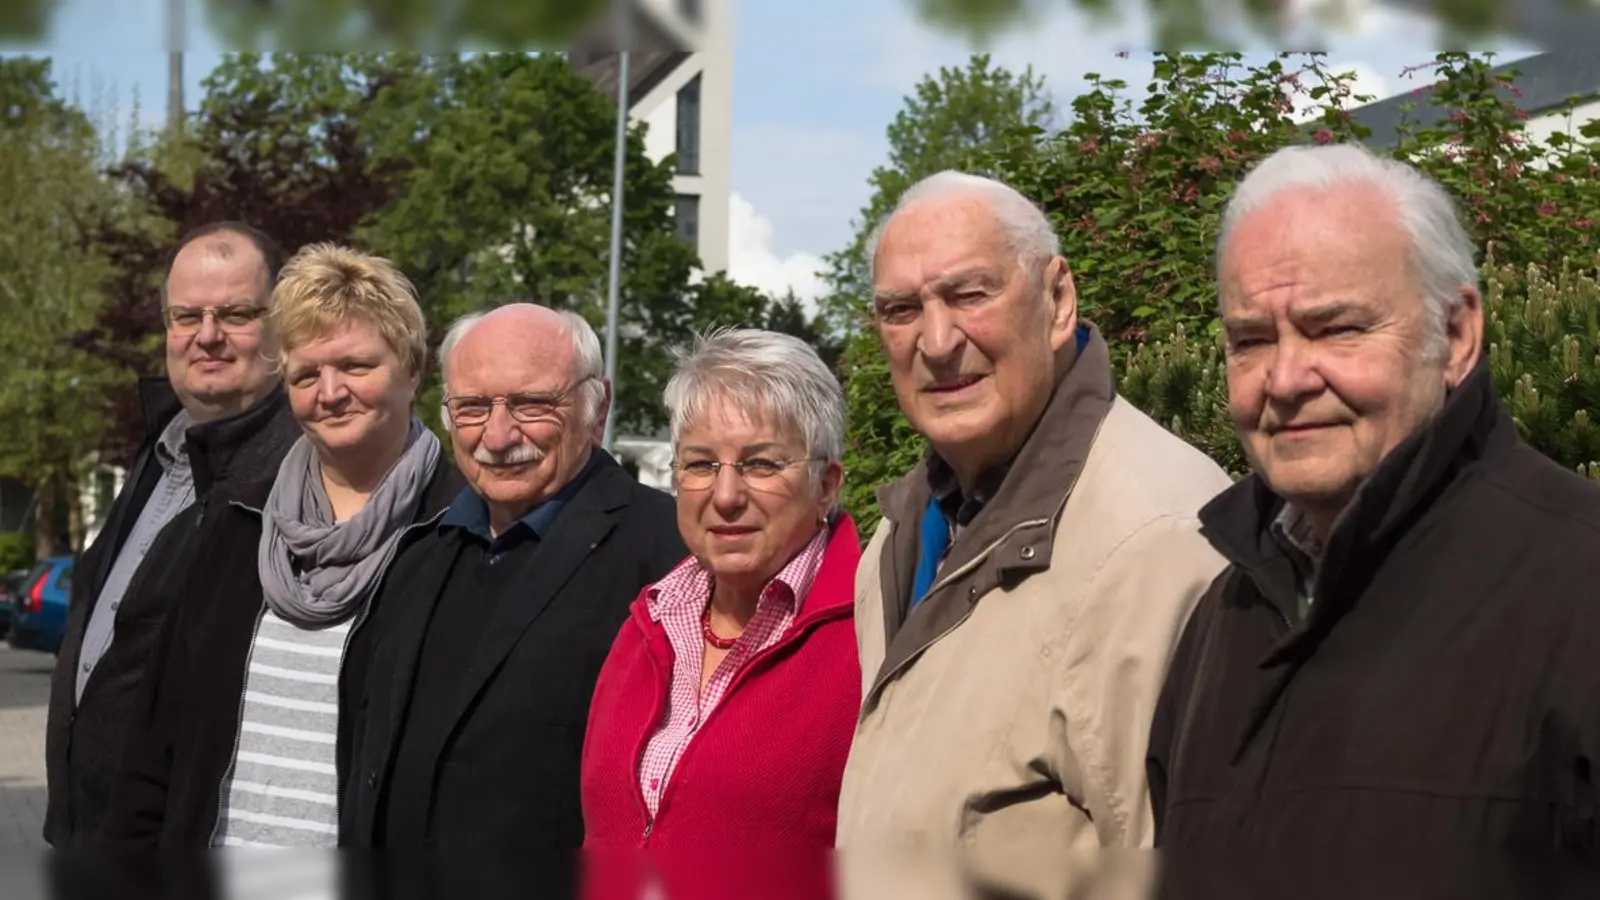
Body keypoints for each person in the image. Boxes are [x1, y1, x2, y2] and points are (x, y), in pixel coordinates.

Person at [1145, 142, 1600, 855]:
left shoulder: (1578, 582)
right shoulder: (1224, 619)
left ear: (1455, 336)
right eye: (1252, 340)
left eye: (1338, 329)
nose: (1286, 378)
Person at [834, 171, 1232, 898]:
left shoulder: (1157, 541)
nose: (937, 339)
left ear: (1057, 300)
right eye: (901, 309)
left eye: (970, 294)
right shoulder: (900, 536)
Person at [100, 243, 463, 847]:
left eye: (355, 366)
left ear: (412, 370)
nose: (330, 392)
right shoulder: (238, 520)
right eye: (306, 374)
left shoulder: (456, 533)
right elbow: (154, 743)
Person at [341, 303, 685, 854]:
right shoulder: (418, 556)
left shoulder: (670, 560)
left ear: (597, 406)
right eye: (473, 407)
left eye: (530, 404)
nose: (498, 437)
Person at [44, 221, 302, 848]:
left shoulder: (299, 478)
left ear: (281, 326)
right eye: (186, 316)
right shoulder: (160, 452)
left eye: (235, 313)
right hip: (90, 836)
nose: (206, 336)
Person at [580, 329, 862, 857]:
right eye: (701, 464)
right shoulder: (649, 623)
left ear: (826, 484)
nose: (726, 495)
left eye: (761, 464)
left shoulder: (874, 631)